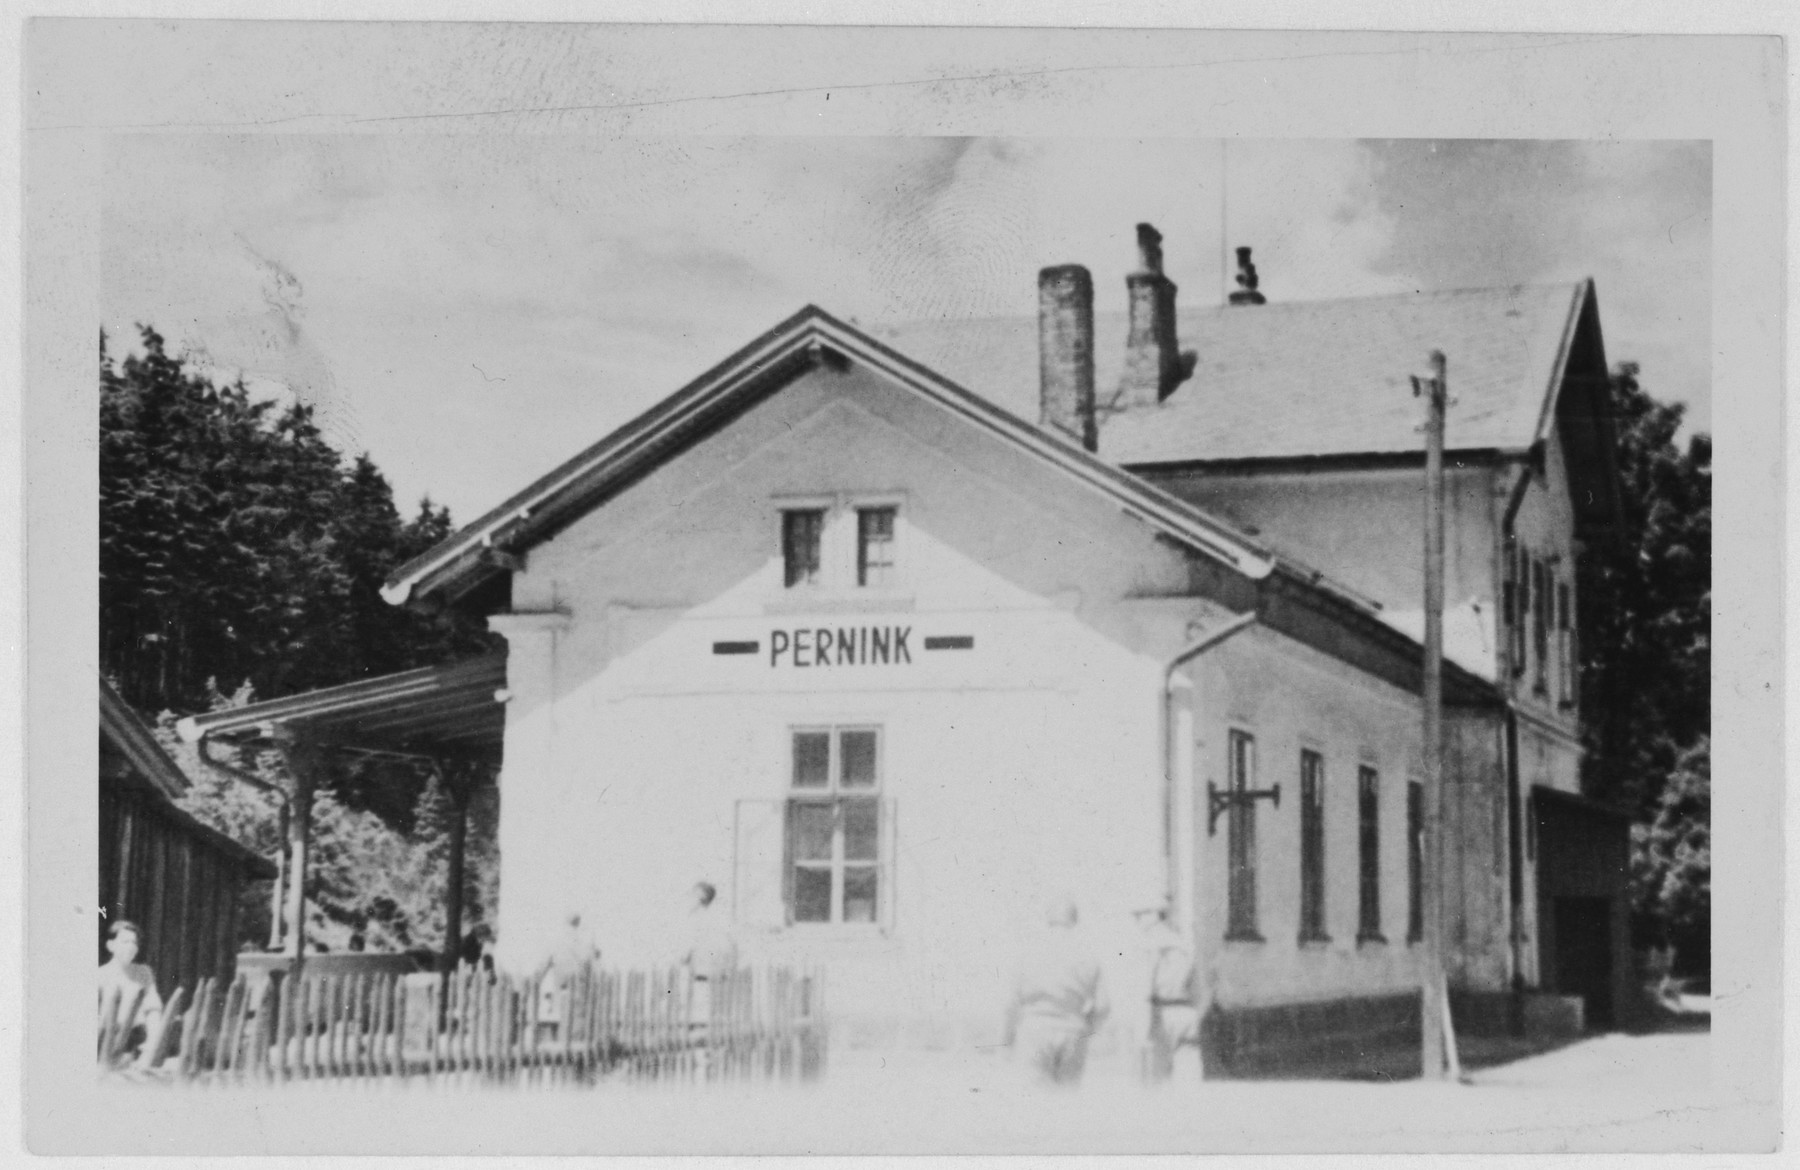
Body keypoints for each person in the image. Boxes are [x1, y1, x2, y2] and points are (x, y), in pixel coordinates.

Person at [1002, 897, 1110, 1087]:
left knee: (1033, 1103)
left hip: (1034, 1030)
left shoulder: (1029, 951)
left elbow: (1010, 1003)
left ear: (1049, 917)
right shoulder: (1087, 955)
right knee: (1067, 1103)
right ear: (1075, 919)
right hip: (1073, 1031)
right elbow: (1103, 1006)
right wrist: (1085, 1030)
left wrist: (1006, 1040)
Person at [1133, 904, 1201, 1081]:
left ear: (1155, 914)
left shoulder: (1149, 943)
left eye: (1140, 914)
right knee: (1187, 1080)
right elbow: (1199, 987)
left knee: (1158, 1083)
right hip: (1187, 1013)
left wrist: (1142, 1027)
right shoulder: (1182, 943)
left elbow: (1145, 987)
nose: (1136, 920)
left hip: (1160, 1014)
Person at [97, 920, 163, 1066]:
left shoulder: (143, 973)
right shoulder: (99, 976)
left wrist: (152, 1045)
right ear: (111, 945)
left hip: (136, 1041)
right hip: (105, 1042)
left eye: (134, 942)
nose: (131, 947)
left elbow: (153, 1010)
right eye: (125, 941)